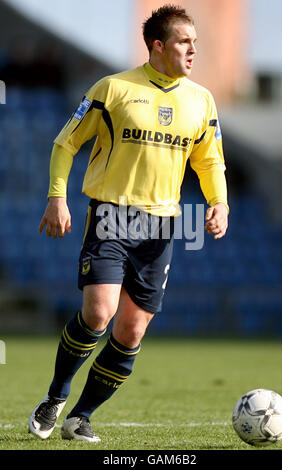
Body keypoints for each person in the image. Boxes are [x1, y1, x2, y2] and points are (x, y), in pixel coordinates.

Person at [29, 4, 229, 442]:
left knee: (130, 330)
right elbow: (66, 143)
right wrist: (56, 196)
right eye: (184, 41)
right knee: (98, 313)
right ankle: (55, 397)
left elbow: (210, 159)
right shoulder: (113, 88)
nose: (194, 50)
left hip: (161, 226)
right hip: (111, 215)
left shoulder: (201, 100)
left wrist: (219, 203)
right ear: (158, 46)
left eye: (196, 42)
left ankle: (80, 416)